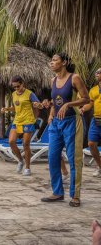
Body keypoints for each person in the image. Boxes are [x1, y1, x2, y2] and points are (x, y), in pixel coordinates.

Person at [41, 53, 89, 207]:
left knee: (74, 159)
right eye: (52, 60)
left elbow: (86, 99)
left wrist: (68, 104)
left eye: (55, 60)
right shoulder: (53, 80)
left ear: (64, 62)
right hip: (56, 123)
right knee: (52, 157)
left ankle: (75, 195)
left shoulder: (74, 78)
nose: (51, 63)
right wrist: (50, 113)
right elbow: (55, 102)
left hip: (71, 122)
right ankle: (57, 192)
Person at [1, 76, 43, 176]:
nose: (16, 89)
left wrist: (38, 105)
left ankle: (27, 168)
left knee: (26, 144)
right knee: (11, 141)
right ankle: (20, 160)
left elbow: (39, 105)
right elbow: (15, 108)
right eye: (14, 87)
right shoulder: (13, 94)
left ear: (22, 83)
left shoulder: (29, 94)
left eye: (18, 86)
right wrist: (7, 109)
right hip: (17, 121)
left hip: (28, 121)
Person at [80, 68, 101, 177]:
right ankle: (100, 166)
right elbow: (90, 104)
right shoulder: (93, 90)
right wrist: (83, 108)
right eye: (96, 72)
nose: (96, 74)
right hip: (96, 120)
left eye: (98, 72)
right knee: (91, 144)